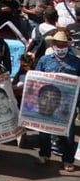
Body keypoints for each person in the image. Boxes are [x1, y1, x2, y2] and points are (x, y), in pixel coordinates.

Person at [34, 30, 80, 171]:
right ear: (53, 45)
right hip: (47, 101)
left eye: (63, 45)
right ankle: (44, 154)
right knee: (44, 130)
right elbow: (36, 79)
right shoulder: (44, 60)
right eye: (58, 45)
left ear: (67, 45)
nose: (60, 47)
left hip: (68, 103)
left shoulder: (77, 62)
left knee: (68, 133)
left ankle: (67, 160)